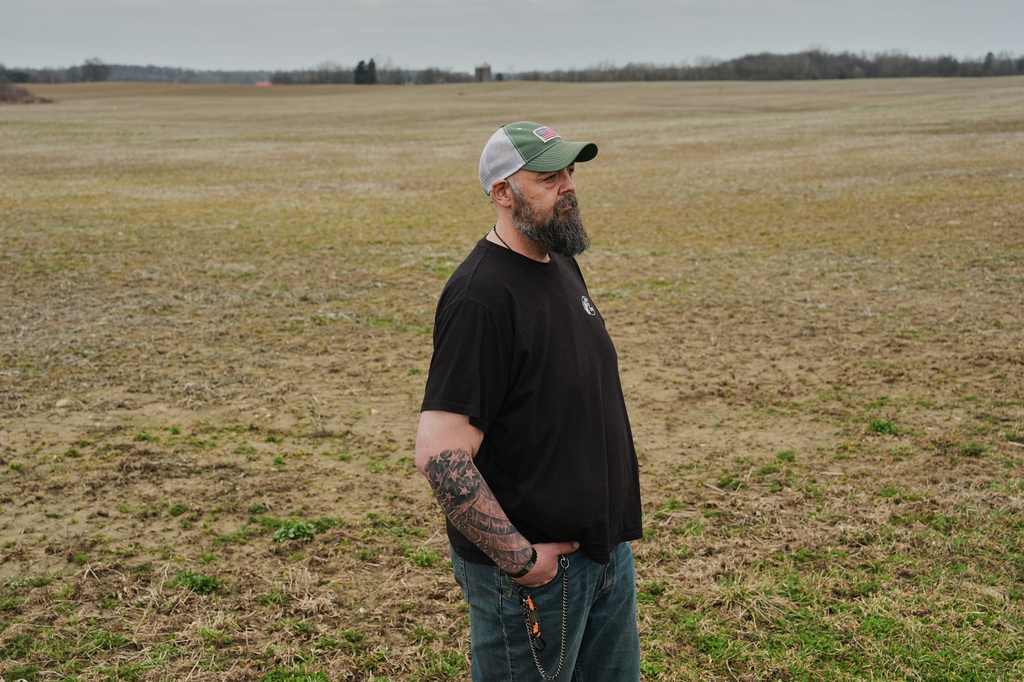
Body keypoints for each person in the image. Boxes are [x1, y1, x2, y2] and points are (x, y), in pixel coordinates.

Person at [415, 121, 643, 681]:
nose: (567, 186)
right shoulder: (480, 297)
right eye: (547, 177)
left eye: (569, 172)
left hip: (604, 555)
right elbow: (440, 455)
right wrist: (522, 561)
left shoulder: (559, 260)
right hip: (538, 578)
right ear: (501, 192)